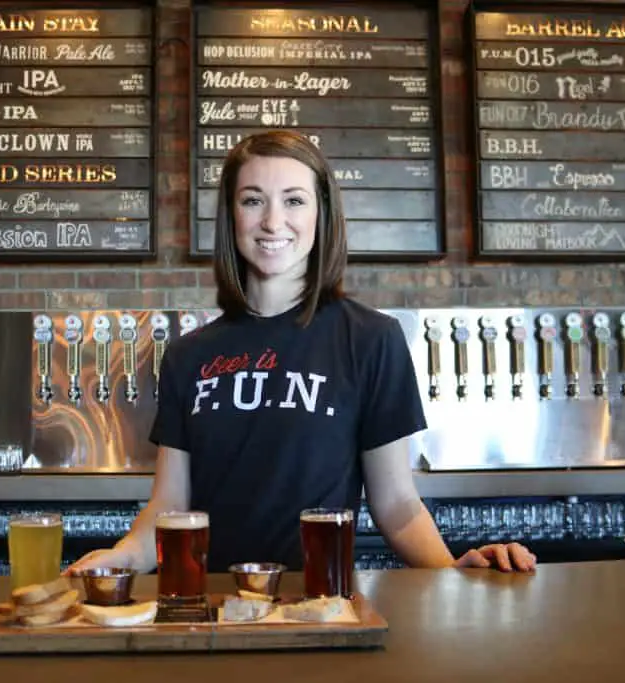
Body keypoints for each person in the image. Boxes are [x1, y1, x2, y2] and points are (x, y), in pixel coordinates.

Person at [67, 130, 536, 575]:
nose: (273, 222)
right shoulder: (189, 356)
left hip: (321, 605)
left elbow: (397, 505)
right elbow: (168, 508)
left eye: (294, 200)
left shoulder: (372, 339)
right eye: (253, 200)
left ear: (321, 214)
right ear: (232, 215)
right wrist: (122, 555)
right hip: (213, 609)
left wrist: (452, 571)